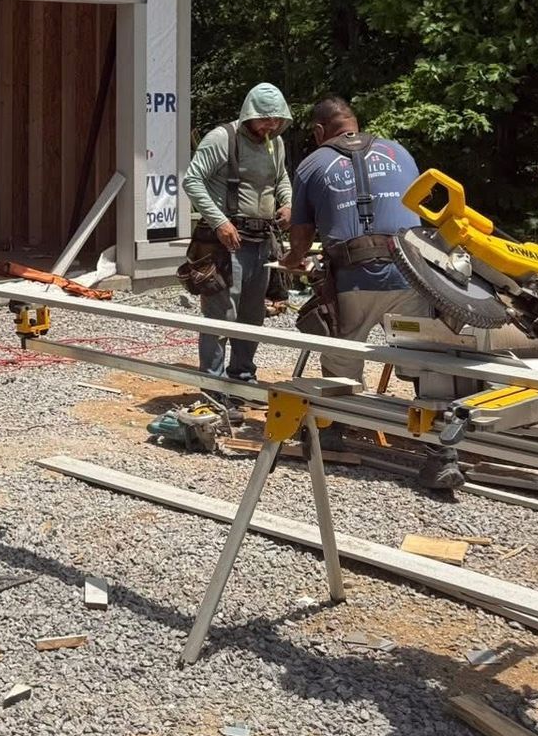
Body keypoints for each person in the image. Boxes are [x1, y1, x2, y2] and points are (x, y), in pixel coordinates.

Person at [280, 95, 462, 490]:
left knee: (342, 354)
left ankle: (332, 432)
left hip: (354, 279)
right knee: (424, 363)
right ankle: (440, 455)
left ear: (318, 131)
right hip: (411, 274)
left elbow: (301, 235)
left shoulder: (312, 164)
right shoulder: (398, 152)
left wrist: (293, 259)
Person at [181, 83, 292, 380]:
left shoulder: (275, 143)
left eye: (277, 120)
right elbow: (192, 180)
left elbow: (281, 177)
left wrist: (289, 203)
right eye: (265, 119)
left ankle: (242, 376)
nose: (271, 125)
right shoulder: (222, 139)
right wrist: (219, 222)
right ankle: (214, 386)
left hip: (262, 240)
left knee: (252, 315)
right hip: (226, 241)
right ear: (249, 115)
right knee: (221, 315)